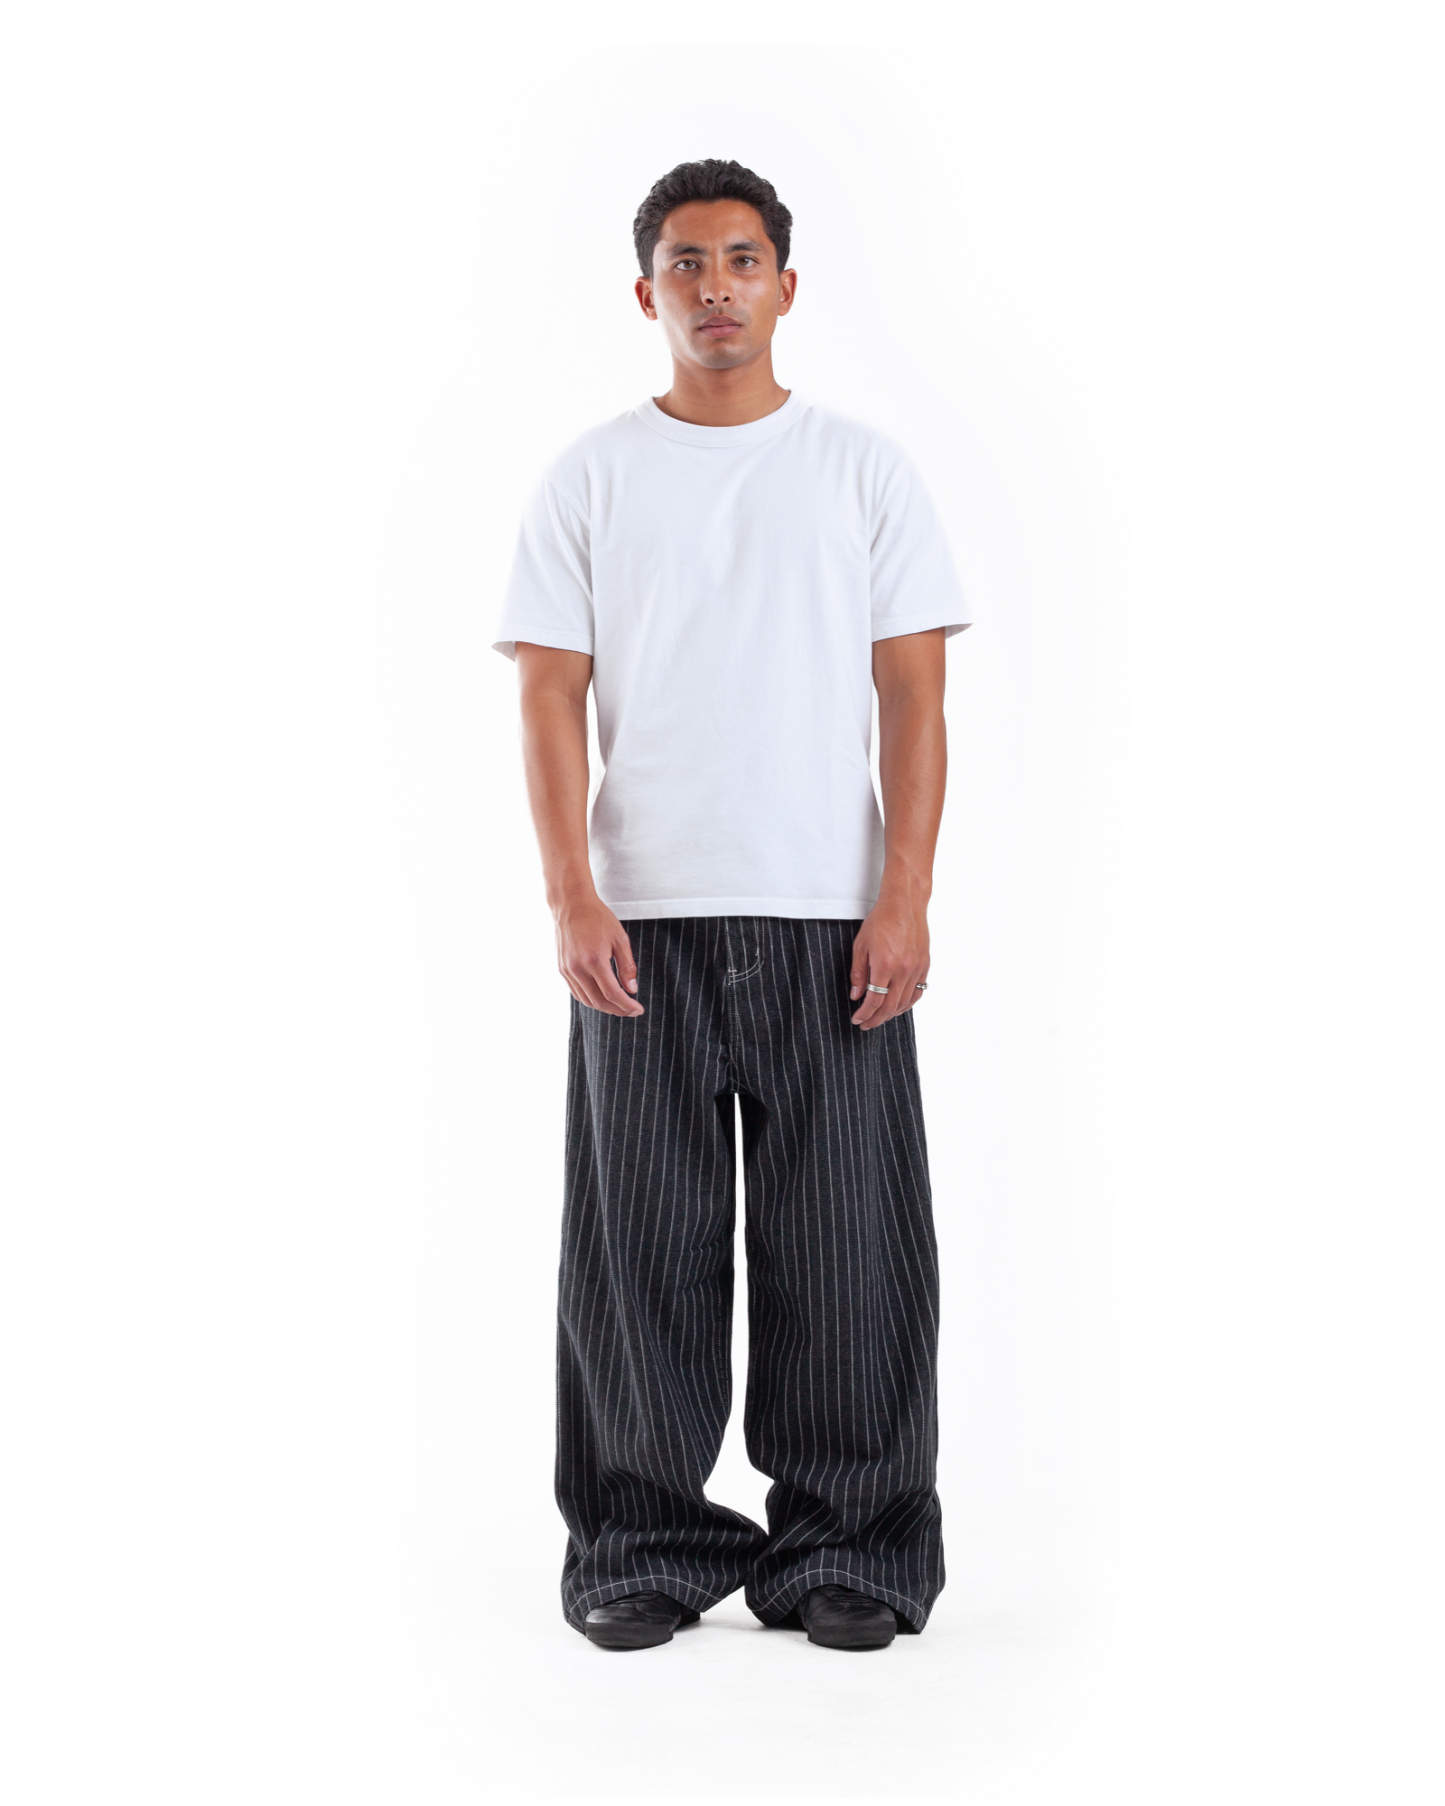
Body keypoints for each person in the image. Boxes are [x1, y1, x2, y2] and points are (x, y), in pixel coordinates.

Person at [492, 158, 971, 1653]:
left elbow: (915, 698)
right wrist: (572, 893)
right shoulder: (590, 477)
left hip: (831, 913)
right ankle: (639, 1543)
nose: (715, 287)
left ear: (785, 284)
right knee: (639, 1253)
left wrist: (904, 896)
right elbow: (549, 696)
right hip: (643, 918)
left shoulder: (863, 470)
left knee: (850, 1247)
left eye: (741, 259)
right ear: (647, 294)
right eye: (687, 264)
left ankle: (853, 1547)